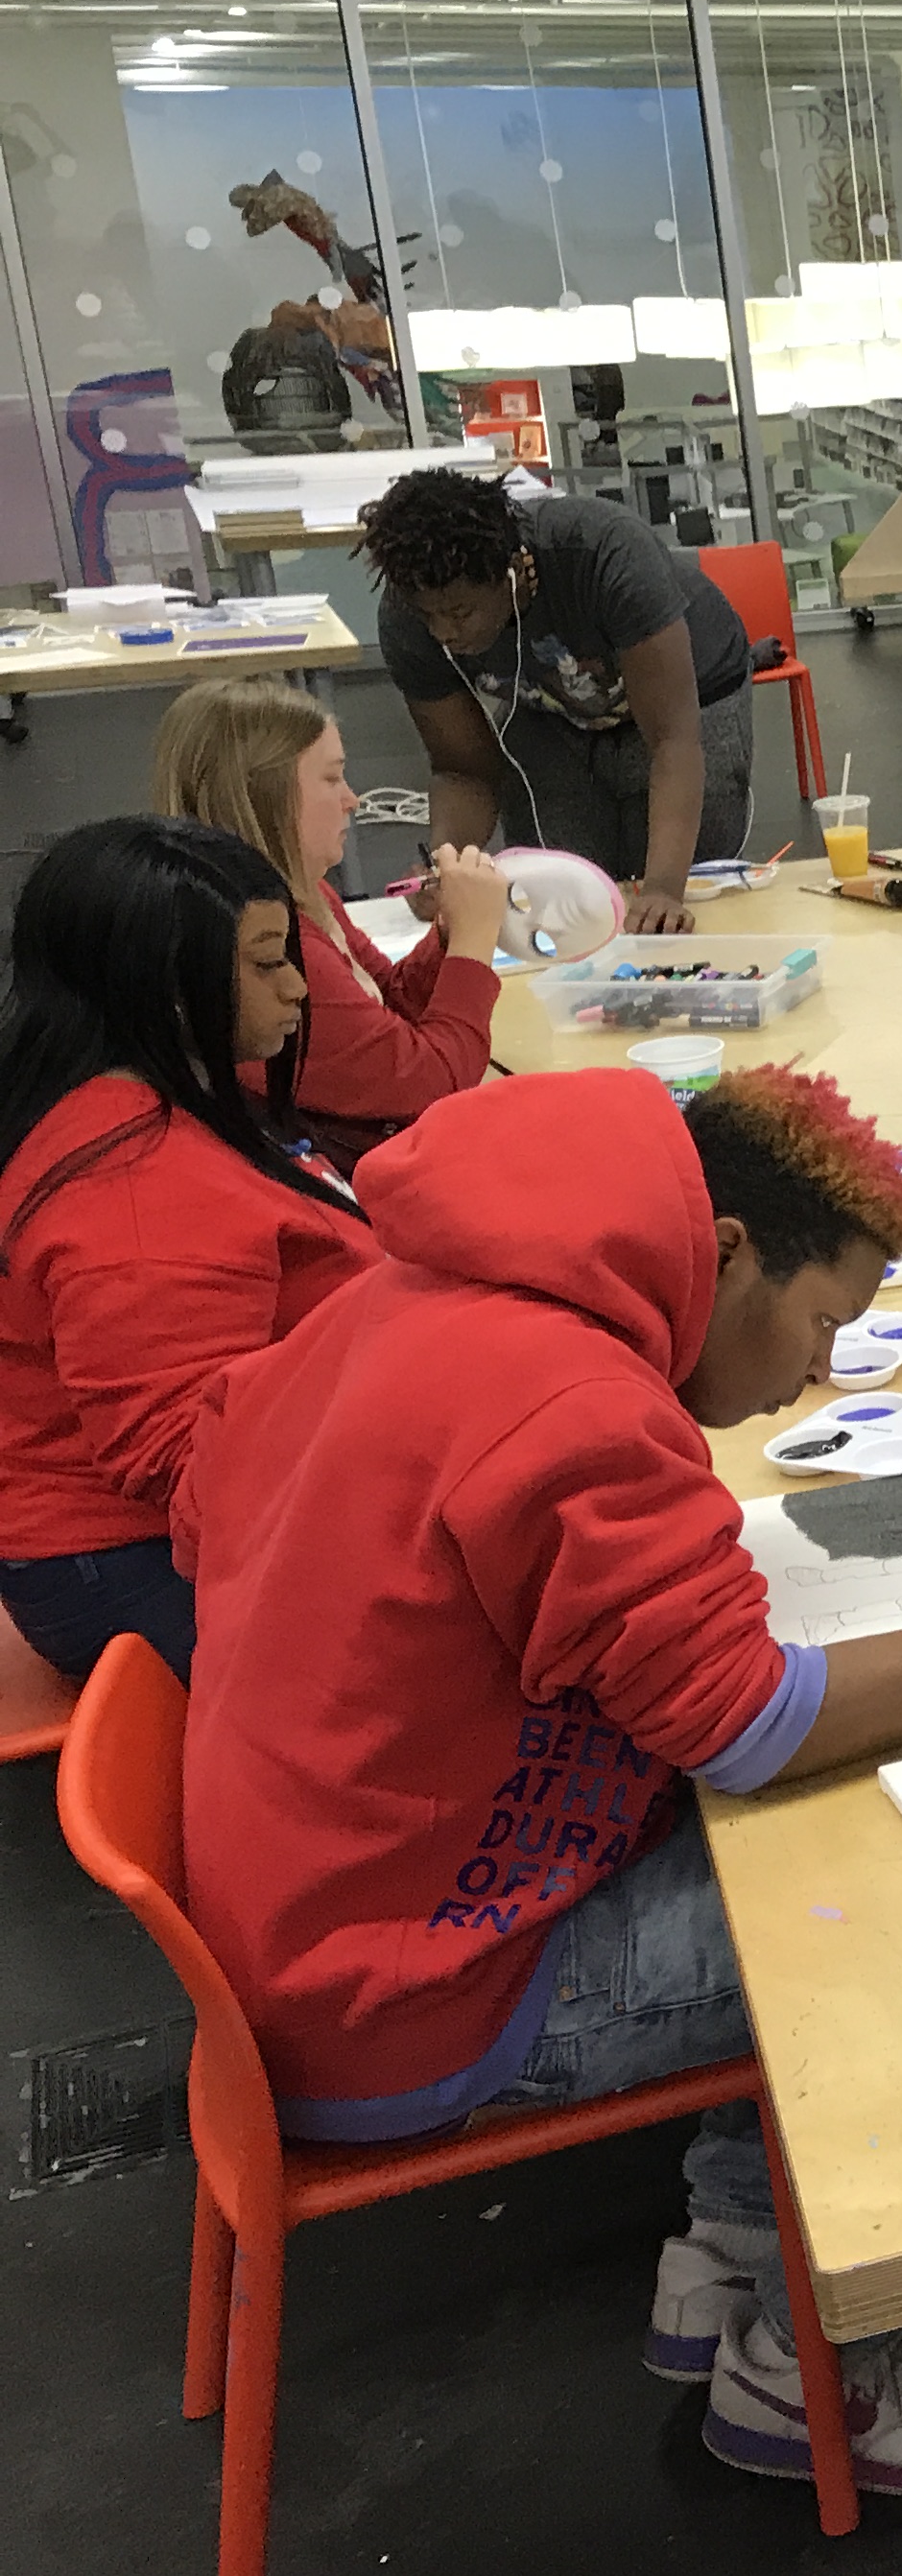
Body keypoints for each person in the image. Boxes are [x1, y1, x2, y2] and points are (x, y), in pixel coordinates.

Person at [175, 1063, 902, 2493]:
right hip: (406, 1995)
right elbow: (751, 1726)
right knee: (869, 1870)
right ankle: (807, 2364)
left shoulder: (413, 1290)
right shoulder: (570, 1402)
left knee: (795, 1802)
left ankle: (738, 2253)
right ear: (727, 1255)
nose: (818, 1374)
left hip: (311, 1917)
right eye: (822, 1326)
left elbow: (203, 1515)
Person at [0, 816, 374, 1678]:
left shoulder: (122, 1095)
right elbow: (191, 1468)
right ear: (168, 984)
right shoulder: (133, 1190)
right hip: (134, 1567)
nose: (297, 990)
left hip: (144, 1542)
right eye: (266, 962)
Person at [359, 466, 756, 934]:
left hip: (690, 699)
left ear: (508, 575)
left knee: (672, 907)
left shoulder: (606, 552)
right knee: (565, 896)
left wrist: (663, 890)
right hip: (551, 709)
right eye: (429, 616)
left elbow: (673, 742)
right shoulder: (411, 612)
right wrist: (447, 866)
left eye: (460, 612)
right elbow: (461, 768)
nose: (444, 632)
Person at [152, 675, 507, 1170]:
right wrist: (473, 946)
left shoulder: (307, 892)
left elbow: (388, 1003)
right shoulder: (271, 941)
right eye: (331, 778)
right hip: (354, 1178)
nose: (353, 800)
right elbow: (430, 1082)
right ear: (269, 796)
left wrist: (448, 936)